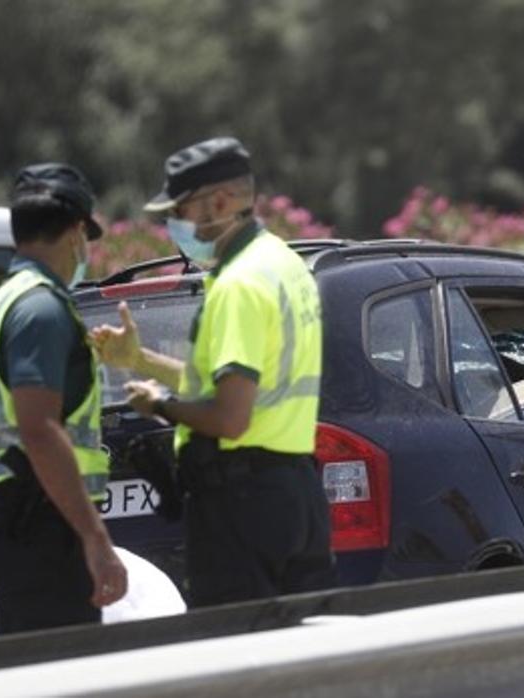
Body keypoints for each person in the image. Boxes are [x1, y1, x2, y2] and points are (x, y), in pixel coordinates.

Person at [91, 137, 335, 607]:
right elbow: (229, 386)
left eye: (179, 210)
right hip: (296, 495)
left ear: (219, 202)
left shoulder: (238, 285)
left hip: (241, 508)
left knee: (240, 664)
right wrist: (140, 359)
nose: (172, 224)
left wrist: (158, 404)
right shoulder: (284, 265)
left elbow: (229, 417)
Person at [0, 163, 127, 634]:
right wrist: (94, 538)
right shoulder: (41, 309)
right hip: (42, 529)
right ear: (76, 232)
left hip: (14, 519)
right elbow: (38, 428)